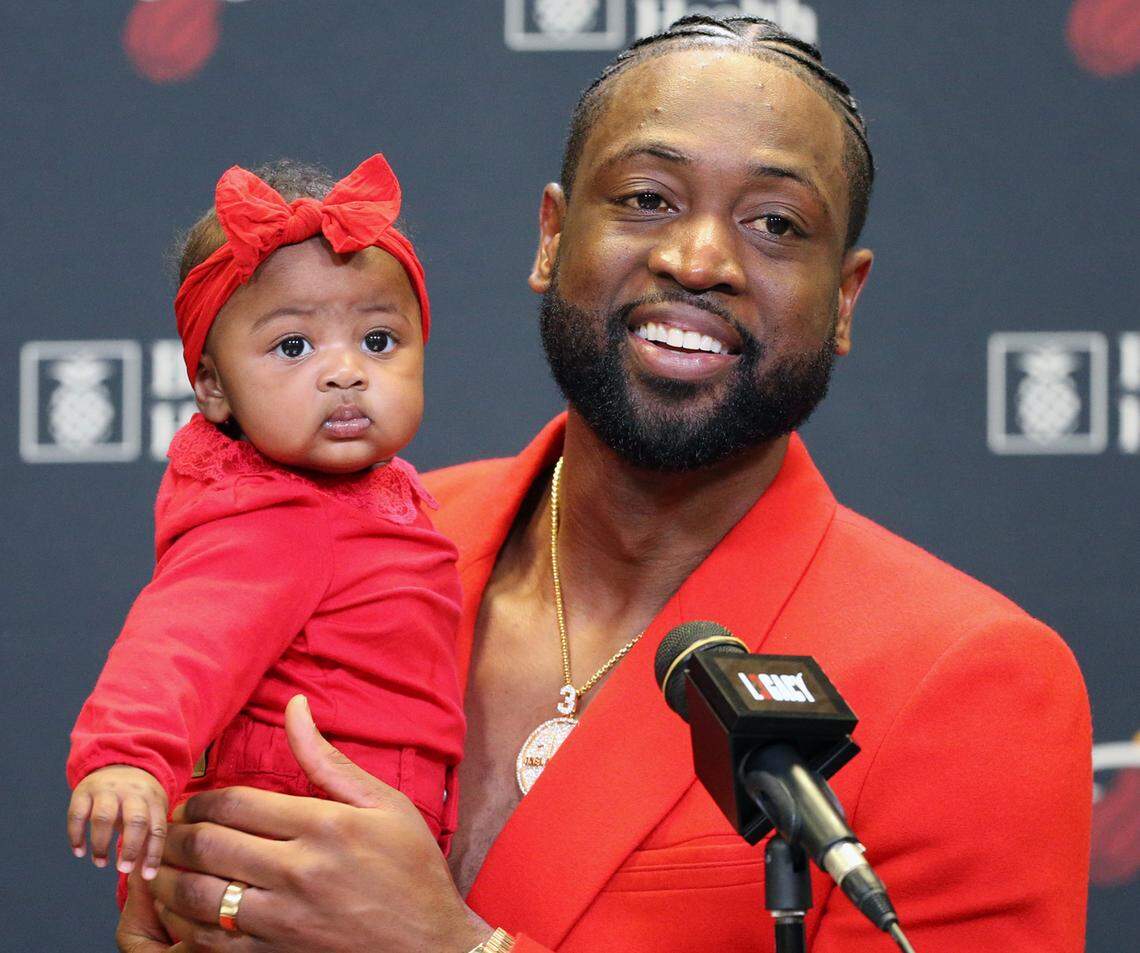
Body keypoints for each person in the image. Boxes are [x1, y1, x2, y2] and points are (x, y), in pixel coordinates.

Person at [116, 15, 1092, 953]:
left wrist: (454, 948)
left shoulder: (972, 682)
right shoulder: (349, 533)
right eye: (647, 199)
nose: (697, 260)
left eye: (776, 222)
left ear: (843, 298)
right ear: (551, 236)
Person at [67, 154, 465, 894]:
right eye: (293, 346)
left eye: (378, 340)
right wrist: (128, 754)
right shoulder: (273, 513)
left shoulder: (375, 496)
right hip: (287, 826)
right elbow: (181, 638)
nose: (345, 372)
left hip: (365, 830)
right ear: (213, 386)